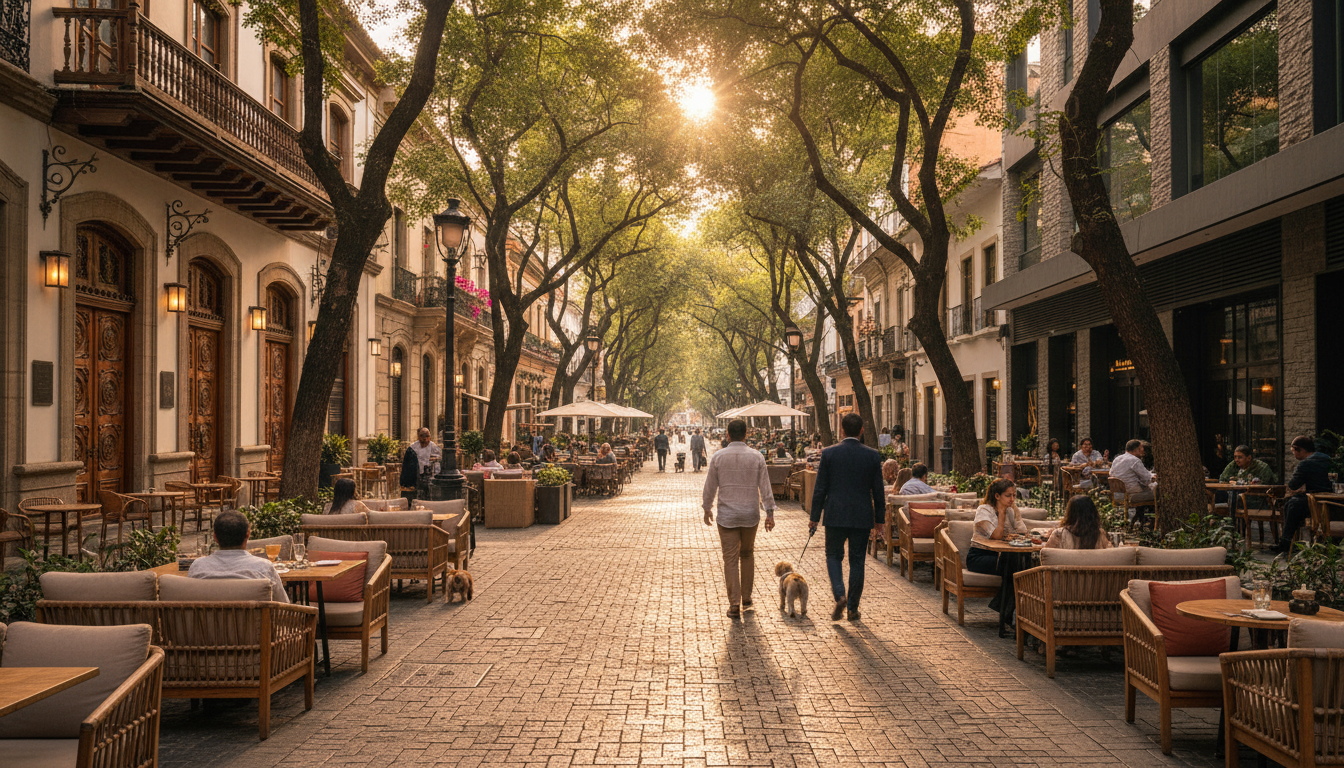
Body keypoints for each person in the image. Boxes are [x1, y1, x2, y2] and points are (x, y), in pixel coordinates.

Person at [809, 413, 884, 622]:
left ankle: (840, 595)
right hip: (861, 516)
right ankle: (852, 608)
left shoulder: (830, 453)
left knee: (833, 556)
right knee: (857, 561)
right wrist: (880, 521)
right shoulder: (872, 455)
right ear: (861, 431)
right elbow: (878, 491)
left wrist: (814, 517)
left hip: (835, 514)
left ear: (842, 430)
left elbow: (820, 488)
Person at [702, 419, 776, 618]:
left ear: (727, 435)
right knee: (747, 554)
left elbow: (710, 486)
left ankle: (734, 603)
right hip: (750, 514)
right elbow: (765, 487)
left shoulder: (718, 457)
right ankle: (747, 597)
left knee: (730, 559)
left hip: (727, 515)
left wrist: (707, 508)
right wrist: (769, 512)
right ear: (746, 434)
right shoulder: (757, 457)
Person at [967, 479, 1029, 632]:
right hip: (979, 556)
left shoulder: (1011, 509)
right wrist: (1001, 514)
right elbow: (996, 536)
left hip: (1003, 555)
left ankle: (1006, 611)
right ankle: (1010, 614)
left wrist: (1014, 512)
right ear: (997, 496)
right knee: (1016, 566)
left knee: (1021, 563)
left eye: (1014, 495)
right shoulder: (984, 510)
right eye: (1008, 496)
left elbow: (1023, 532)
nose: (1012, 499)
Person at [188, 510, 289, 603]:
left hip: (207, 623)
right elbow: (285, 608)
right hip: (252, 623)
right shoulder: (264, 568)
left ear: (215, 538)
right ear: (248, 535)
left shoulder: (197, 567)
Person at [1273, 436, 1334, 553]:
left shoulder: (1305, 464)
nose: (1294, 456)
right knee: (1294, 502)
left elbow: (1293, 485)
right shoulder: (1327, 459)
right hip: (1333, 502)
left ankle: (1286, 542)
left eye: (1294, 452)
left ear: (1300, 449)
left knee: (1291, 503)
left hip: (1316, 502)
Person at [1044, 495, 1113, 550]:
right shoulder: (1099, 535)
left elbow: (1047, 554)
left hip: (1066, 567)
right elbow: (1111, 555)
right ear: (1093, 514)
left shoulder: (1059, 534)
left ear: (1069, 514)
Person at [1111, 439, 1156, 507]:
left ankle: (1139, 515)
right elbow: (1147, 480)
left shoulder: (1117, 459)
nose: (1143, 451)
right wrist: (1154, 477)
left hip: (1118, 495)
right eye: (1142, 448)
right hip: (1132, 495)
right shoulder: (1135, 460)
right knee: (1159, 491)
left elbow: (1111, 474)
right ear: (1136, 450)